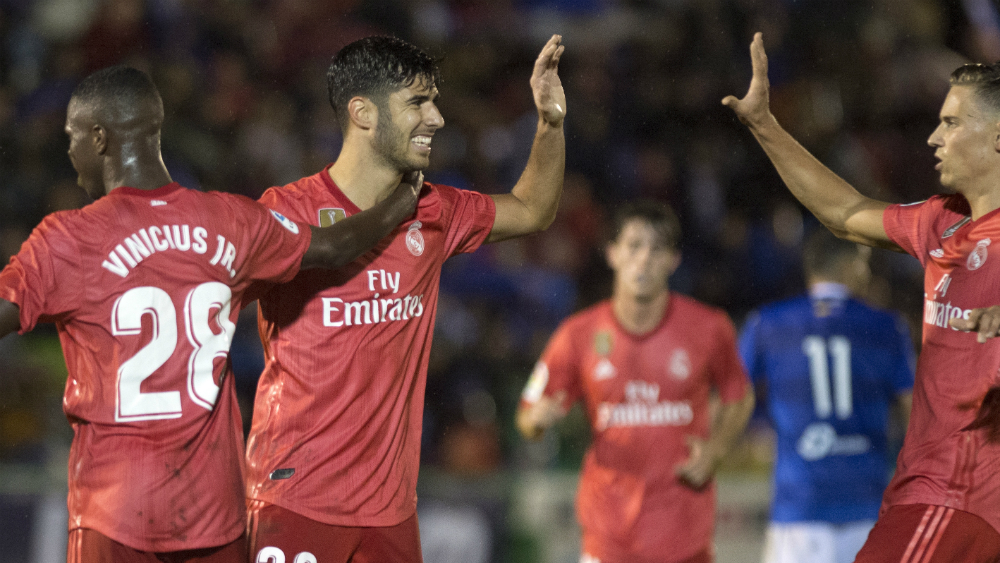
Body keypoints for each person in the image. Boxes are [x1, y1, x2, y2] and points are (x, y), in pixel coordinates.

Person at [0, 65, 419, 562]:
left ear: (99, 137)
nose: (71, 157)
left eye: (72, 139)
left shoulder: (67, 240)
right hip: (213, 514)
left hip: (113, 511)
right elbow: (332, 246)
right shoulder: (231, 220)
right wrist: (402, 202)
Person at [243, 35, 566, 561]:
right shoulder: (287, 212)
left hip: (391, 515)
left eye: (435, 101)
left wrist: (550, 124)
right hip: (296, 500)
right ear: (363, 113)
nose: (437, 118)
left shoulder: (434, 208)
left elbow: (531, 210)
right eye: (418, 102)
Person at [724, 33, 1000, 561]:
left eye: (952, 122)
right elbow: (844, 213)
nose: (933, 138)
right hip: (921, 494)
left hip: (957, 496)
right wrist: (765, 125)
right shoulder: (941, 221)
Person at [516, 201, 756, 563]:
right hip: (607, 540)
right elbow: (527, 413)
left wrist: (716, 450)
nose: (643, 259)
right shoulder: (577, 335)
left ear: (673, 260)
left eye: (656, 249)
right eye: (633, 246)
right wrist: (536, 421)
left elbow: (739, 394)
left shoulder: (708, 327)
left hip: (684, 540)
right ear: (612, 254)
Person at [739, 228, 915, 563]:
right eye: (863, 264)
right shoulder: (887, 327)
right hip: (868, 507)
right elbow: (913, 413)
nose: (867, 274)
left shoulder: (768, 323)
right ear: (849, 266)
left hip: (798, 510)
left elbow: (735, 397)